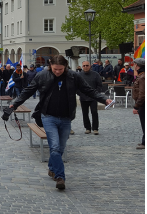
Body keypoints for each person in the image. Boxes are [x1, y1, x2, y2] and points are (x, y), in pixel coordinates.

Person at [10, 55, 112, 190]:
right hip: (48, 116)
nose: (57, 71)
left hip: (66, 117)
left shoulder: (74, 76)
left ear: (66, 67)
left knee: (61, 148)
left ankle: (52, 168)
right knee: (55, 147)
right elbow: (28, 91)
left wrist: (104, 99)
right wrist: (15, 104)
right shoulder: (42, 75)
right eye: (55, 69)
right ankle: (60, 177)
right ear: (50, 66)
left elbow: (88, 90)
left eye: (60, 69)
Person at [77, 61, 103, 135]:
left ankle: (95, 128)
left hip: (93, 97)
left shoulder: (96, 74)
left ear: (90, 66)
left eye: (87, 65)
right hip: (83, 97)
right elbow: (76, 87)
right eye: (84, 65)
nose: (85, 67)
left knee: (94, 112)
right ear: (82, 66)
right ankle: (87, 128)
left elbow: (99, 86)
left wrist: (95, 94)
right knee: (85, 113)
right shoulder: (79, 75)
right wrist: (81, 94)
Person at [132, 58, 145, 150]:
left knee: (144, 123)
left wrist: (136, 106)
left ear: (138, 65)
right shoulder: (141, 75)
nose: (134, 66)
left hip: (143, 104)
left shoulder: (142, 77)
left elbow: (142, 94)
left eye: (135, 64)